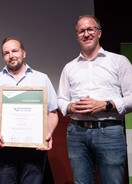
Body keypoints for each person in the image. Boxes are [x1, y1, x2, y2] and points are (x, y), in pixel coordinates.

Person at [57, 14, 132, 184]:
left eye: (90, 29)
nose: (86, 34)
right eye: (81, 31)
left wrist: (105, 105)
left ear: (99, 32)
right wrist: (71, 107)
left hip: (110, 131)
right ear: (77, 36)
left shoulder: (119, 61)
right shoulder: (69, 67)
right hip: (77, 132)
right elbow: (61, 99)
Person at [0, 37, 58, 184]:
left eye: (15, 51)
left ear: (24, 53)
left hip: (34, 149)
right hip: (4, 150)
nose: (11, 55)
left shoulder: (42, 79)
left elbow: (52, 112)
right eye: (6, 53)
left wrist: (48, 131)